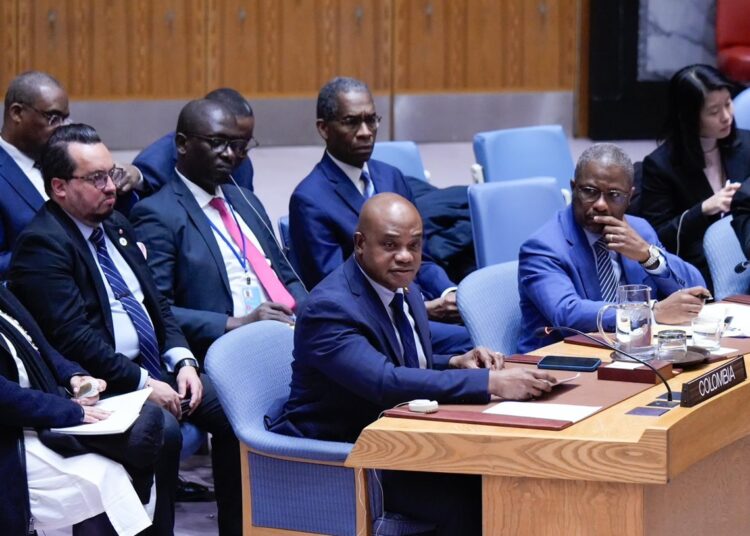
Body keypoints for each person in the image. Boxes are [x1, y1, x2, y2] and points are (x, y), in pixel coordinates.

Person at [269, 193, 557, 535]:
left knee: (511, 478)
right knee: (474, 494)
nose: (405, 257)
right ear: (360, 244)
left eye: (414, 245)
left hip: (400, 442)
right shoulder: (329, 309)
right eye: (390, 245)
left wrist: (453, 362)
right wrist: (492, 383)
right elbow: (383, 381)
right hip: (344, 457)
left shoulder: (402, 289)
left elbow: (392, 362)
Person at [8, 124, 242, 535]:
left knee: (235, 408)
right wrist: (143, 382)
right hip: (102, 382)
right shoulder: (42, 244)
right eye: (96, 178)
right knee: (164, 431)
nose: (111, 186)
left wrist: (183, 361)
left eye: (111, 173)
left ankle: (239, 527)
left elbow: (157, 306)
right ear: (60, 187)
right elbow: (71, 337)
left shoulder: (116, 225)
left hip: (156, 369)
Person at [289, 76, 471, 355]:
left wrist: (448, 293)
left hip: (413, 305)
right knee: (472, 341)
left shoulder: (391, 176)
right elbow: (335, 288)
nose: (365, 131)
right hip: (371, 322)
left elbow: (423, 255)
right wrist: (421, 308)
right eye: (351, 122)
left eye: (371, 120)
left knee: (479, 327)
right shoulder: (310, 199)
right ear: (324, 128)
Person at [130, 99, 306, 359]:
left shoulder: (246, 200)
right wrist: (239, 322)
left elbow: (286, 276)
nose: (229, 154)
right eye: (216, 143)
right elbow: (157, 309)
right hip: (229, 350)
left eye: (235, 145)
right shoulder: (157, 214)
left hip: (288, 334)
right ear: (182, 144)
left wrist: (310, 313)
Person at [0, 282, 163, 536]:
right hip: (10, 435)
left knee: (124, 463)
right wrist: (71, 411)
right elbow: (4, 398)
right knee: (101, 479)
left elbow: (38, 345)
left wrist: (75, 377)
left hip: (37, 418)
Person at [518, 143, 708, 353]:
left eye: (614, 195)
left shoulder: (639, 230)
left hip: (635, 354)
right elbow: (567, 313)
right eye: (590, 191)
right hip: (563, 364)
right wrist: (650, 312)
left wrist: (648, 256)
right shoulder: (543, 247)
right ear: (574, 188)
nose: (600, 204)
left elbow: (694, 288)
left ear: (630, 198)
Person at [0, 71, 141, 277]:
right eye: (54, 118)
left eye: (66, 119)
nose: (62, 128)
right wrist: (62, 254)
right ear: (17, 113)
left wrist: (124, 183)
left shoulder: (67, 159)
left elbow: (116, 223)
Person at [641, 64, 750, 288]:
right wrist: (702, 210)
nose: (726, 116)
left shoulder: (747, 144)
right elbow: (656, 239)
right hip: (699, 269)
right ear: (689, 117)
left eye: (728, 104)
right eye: (713, 111)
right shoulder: (660, 166)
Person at [133, 87, 256, 195]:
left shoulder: (242, 160)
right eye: (220, 141)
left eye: (242, 144)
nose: (232, 153)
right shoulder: (153, 167)